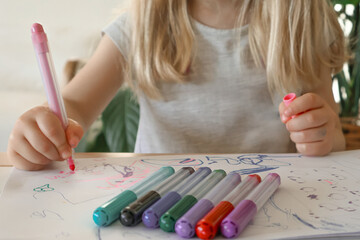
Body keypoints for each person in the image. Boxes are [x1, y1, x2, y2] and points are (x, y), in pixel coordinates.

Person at [7, 0, 348, 170]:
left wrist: (321, 134)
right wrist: (45, 129)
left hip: (271, 200)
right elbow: (75, 106)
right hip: (159, 205)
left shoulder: (305, 19)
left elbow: (330, 131)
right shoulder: (139, 26)